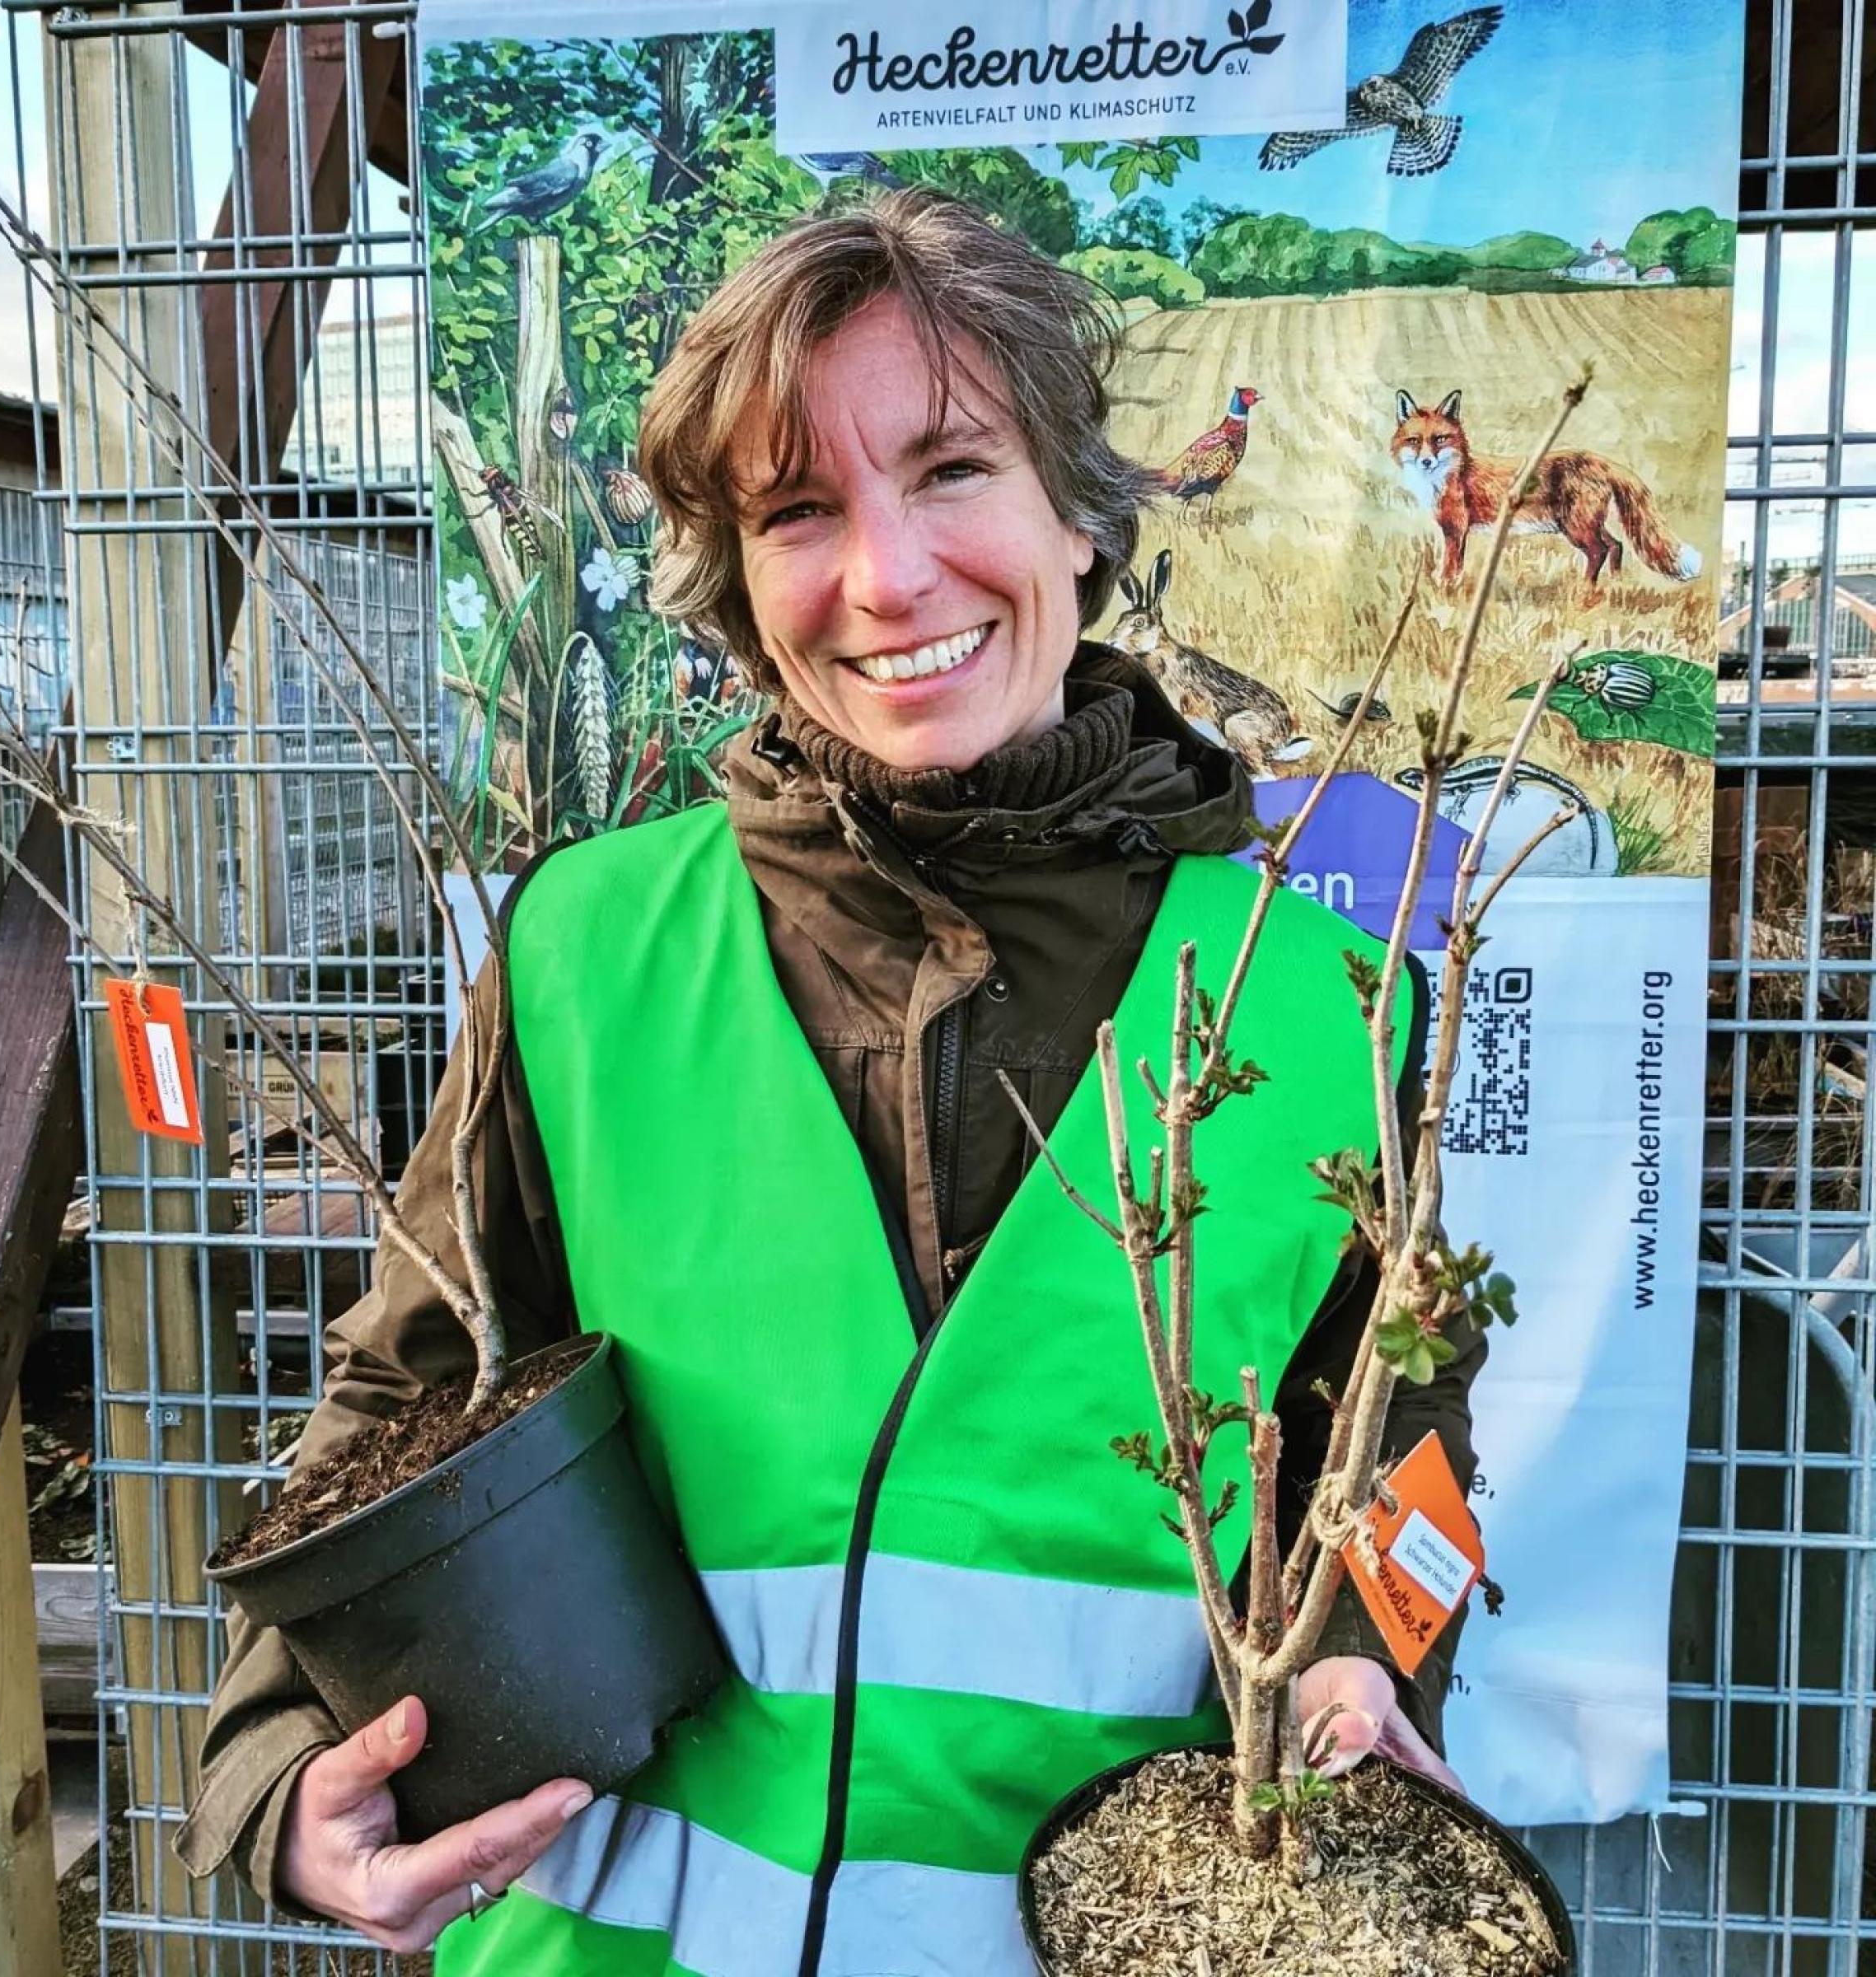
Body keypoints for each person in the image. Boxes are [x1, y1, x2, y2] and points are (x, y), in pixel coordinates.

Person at [175, 188, 1481, 1970]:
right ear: (738, 586)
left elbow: (1397, 1446)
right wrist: (276, 1771)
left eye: (950, 471)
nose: (886, 577)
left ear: (1082, 522)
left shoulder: (1331, 1007)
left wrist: (1372, 1657)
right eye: (801, 510)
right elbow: (400, 1412)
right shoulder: (587, 951)